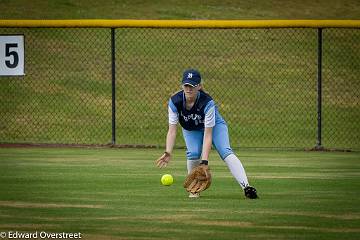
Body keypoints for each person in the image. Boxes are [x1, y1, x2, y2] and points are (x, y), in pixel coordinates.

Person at [156, 69, 258, 199]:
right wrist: (168, 151)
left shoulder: (207, 102)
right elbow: (172, 130)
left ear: (199, 86)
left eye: (192, 85)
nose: (189, 89)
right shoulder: (175, 102)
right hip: (191, 129)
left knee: (225, 150)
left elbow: (208, 134)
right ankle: (193, 188)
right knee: (193, 153)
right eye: (186, 85)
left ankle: (246, 187)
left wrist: (204, 161)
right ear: (182, 85)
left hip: (215, 127)